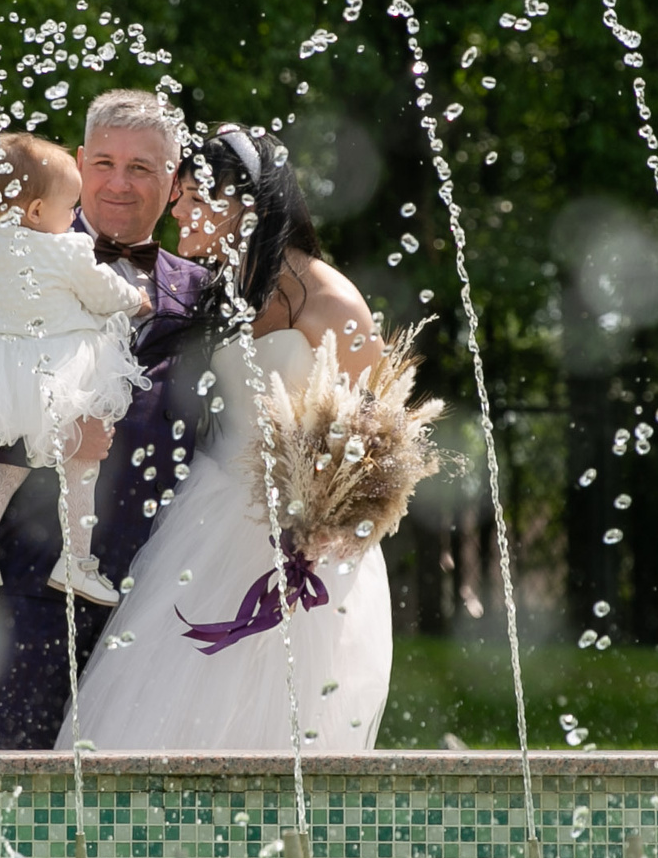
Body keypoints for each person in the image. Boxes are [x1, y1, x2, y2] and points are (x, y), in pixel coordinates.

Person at [55, 124, 433, 752]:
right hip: (201, 525)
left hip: (303, 543)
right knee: (158, 701)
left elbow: (380, 443)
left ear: (246, 205)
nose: (179, 208)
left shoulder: (331, 300)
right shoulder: (221, 291)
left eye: (196, 197)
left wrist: (319, 521)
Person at [0, 89, 213, 748]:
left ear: (173, 183)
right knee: (6, 792)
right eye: (104, 162)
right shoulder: (7, 254)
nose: (118, 182)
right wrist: (46, 435)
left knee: (138, 816)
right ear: (79, 165)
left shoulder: (201, 297)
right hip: (22, 590)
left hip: (155, 597)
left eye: (142, 167)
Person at [0, 132, 149, 608]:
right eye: (69, 206)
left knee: (7, 464)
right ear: (37, 212)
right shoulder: (68, 249)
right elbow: (103, 295)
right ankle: (77, 562)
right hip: (63, 373)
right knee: (83, 464)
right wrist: (135, 299)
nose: (74, 216)